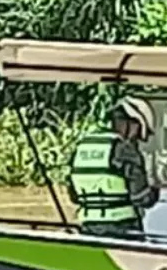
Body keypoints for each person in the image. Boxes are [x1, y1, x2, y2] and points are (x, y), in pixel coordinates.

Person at [67, 96, 158, 238]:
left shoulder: (83, 145)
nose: (136, 140)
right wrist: (154, 190)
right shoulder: (123, 149)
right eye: (138, 133)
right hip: (123, 228)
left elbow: (73, 195)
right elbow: (141, 197)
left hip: (88, 227)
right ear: (131, 124)